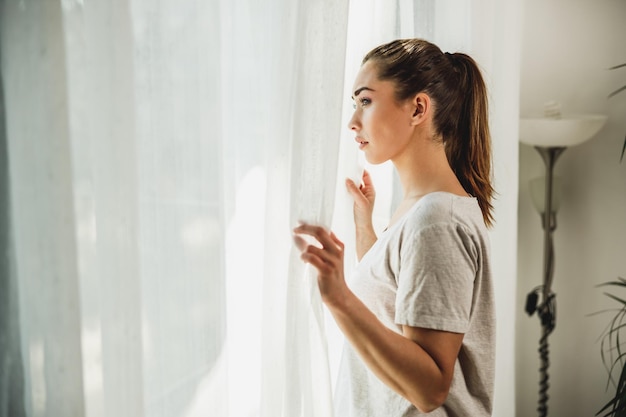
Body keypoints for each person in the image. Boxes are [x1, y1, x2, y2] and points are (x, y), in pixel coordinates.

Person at [292, 38, 496, 417]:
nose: (353, 122)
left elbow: (431, 387)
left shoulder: (436, 220)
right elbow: (396, 304)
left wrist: (339, 298)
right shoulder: (423, 210)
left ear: (418, 108)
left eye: (365, 101)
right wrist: (364, 224)